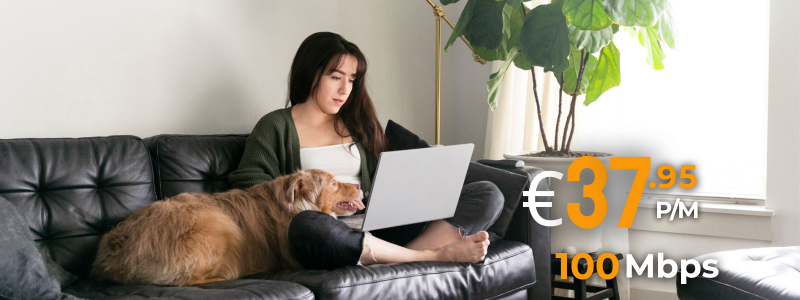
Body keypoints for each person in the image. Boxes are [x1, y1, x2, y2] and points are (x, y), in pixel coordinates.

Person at [228, 32, 504, 270]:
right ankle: (427, 256)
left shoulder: (358, 124)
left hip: (375, 225)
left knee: (488, 193)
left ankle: (401, 260)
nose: (345, 89)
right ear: (311, 73)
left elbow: (381, 186)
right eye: (336, 77)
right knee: (307, 226)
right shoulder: (276, 126)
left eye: (351, 79)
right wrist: (318, 204)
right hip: (328, 232)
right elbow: (250, 188)